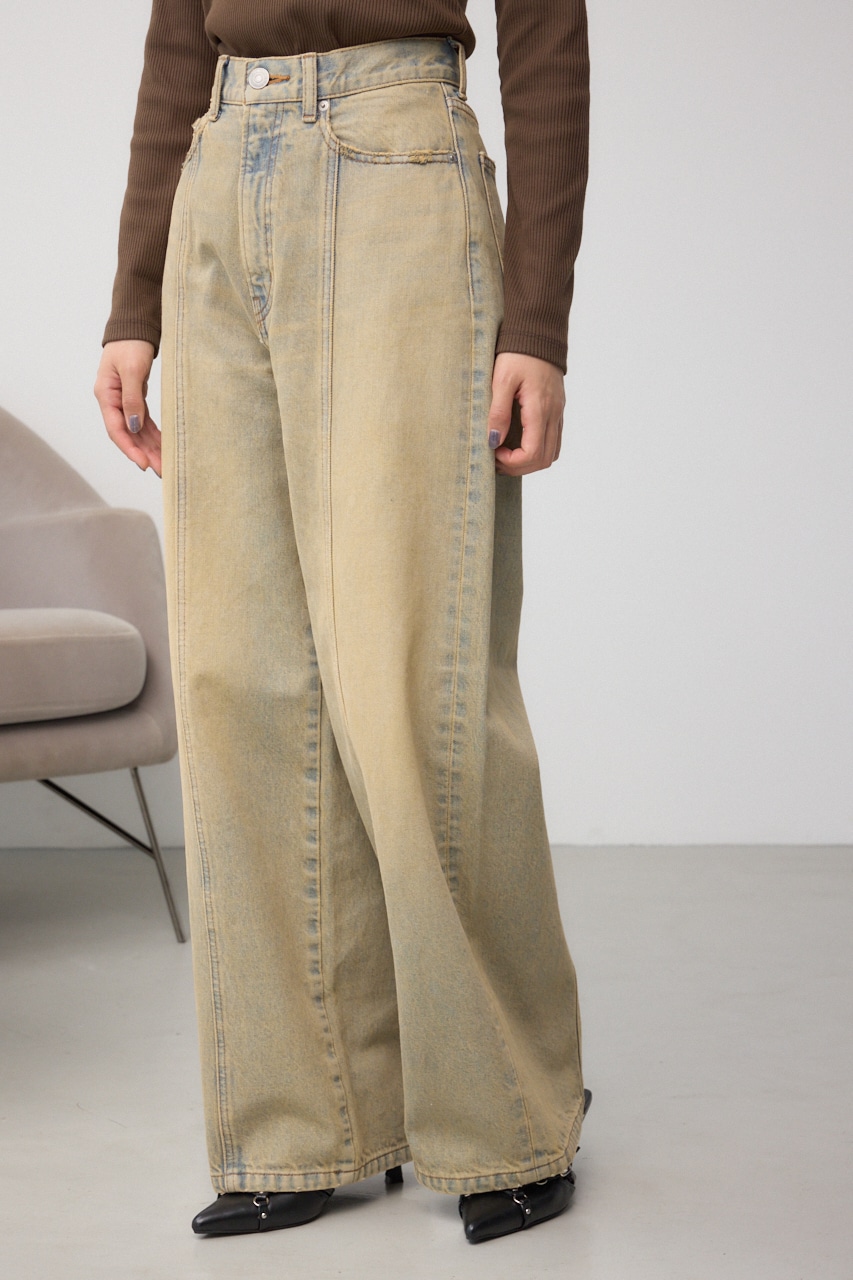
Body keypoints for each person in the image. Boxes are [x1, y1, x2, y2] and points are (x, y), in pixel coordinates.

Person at [94, 0, 590, 1247]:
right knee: (238, 676)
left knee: (411, 677)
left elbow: (545, 29)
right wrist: (133, 300)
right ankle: (303, 1120)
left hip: (399, 165)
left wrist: (537, 321)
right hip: (220, 169)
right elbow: (177, 33)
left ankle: (506, 1110)